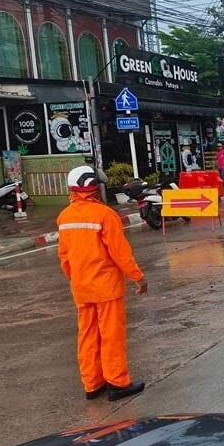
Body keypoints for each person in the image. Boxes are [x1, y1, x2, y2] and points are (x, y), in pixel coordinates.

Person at [57, 166, 147, 401]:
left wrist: (77, 278)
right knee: (111, 335)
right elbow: (120, 253)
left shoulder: (64, 217)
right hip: (106, 288)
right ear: (93, 188)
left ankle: (93, 384)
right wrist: (137, 277)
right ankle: (117, 383)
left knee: (87, 335)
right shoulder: (105, 215)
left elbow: (64, 257)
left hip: (81, 288)